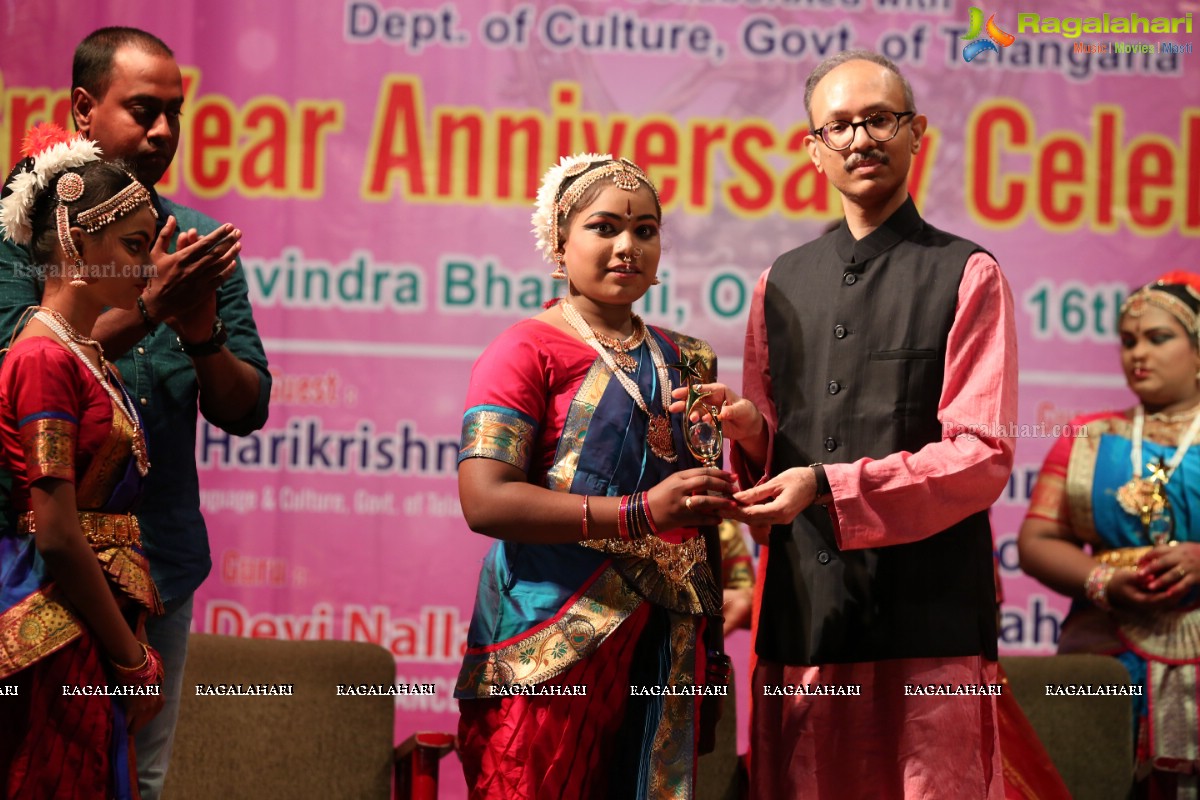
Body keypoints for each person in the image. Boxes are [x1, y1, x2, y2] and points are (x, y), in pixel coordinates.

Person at [697, 50, 1018, 798]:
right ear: (813, 150)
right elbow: (769, 466)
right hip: (807, 611)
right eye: (837, 126)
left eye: (879, 119)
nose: (860, 139)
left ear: (916, 133)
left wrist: (826, 484)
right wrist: (750, 435)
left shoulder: (967, 272)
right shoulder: (779, 281)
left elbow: (982, 456)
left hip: (931, 613)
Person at [0, 28, 271, 799]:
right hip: (32, 573)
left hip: (160, 562)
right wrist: (150, 303)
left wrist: (200, 330)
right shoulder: (17, 231)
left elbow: (247, 407)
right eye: (143, 110)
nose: (162, 132)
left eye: (175, 114)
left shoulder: (190, 244)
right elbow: (23, 362)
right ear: (84, 110)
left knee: (136, 782)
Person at [454, 153, 738, 799]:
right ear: (560, 240)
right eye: (603, 227)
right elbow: (484, 500)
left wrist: (714, 660)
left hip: (667, 642)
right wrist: (639, 513)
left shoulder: (688, 359)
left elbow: (701, 525)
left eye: (644, 231)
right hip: (549, 637)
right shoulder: (524, 349)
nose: (626, 246)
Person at [0, 124, 164, 798]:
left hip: (87, 622)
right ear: (74, 241)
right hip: (52, 621)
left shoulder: (84, 355)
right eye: (133, 247)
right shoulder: (42, 359)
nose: (146, 267)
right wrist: (129, 659)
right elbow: (61, 532)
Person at [1019, 272, 1200, 798]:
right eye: (1128, 341)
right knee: (1092, 775)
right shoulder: (1089, 438)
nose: (1137, 354)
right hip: (1107, 650)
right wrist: (1105, 581)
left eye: (1158, 338)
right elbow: (1037, 541)